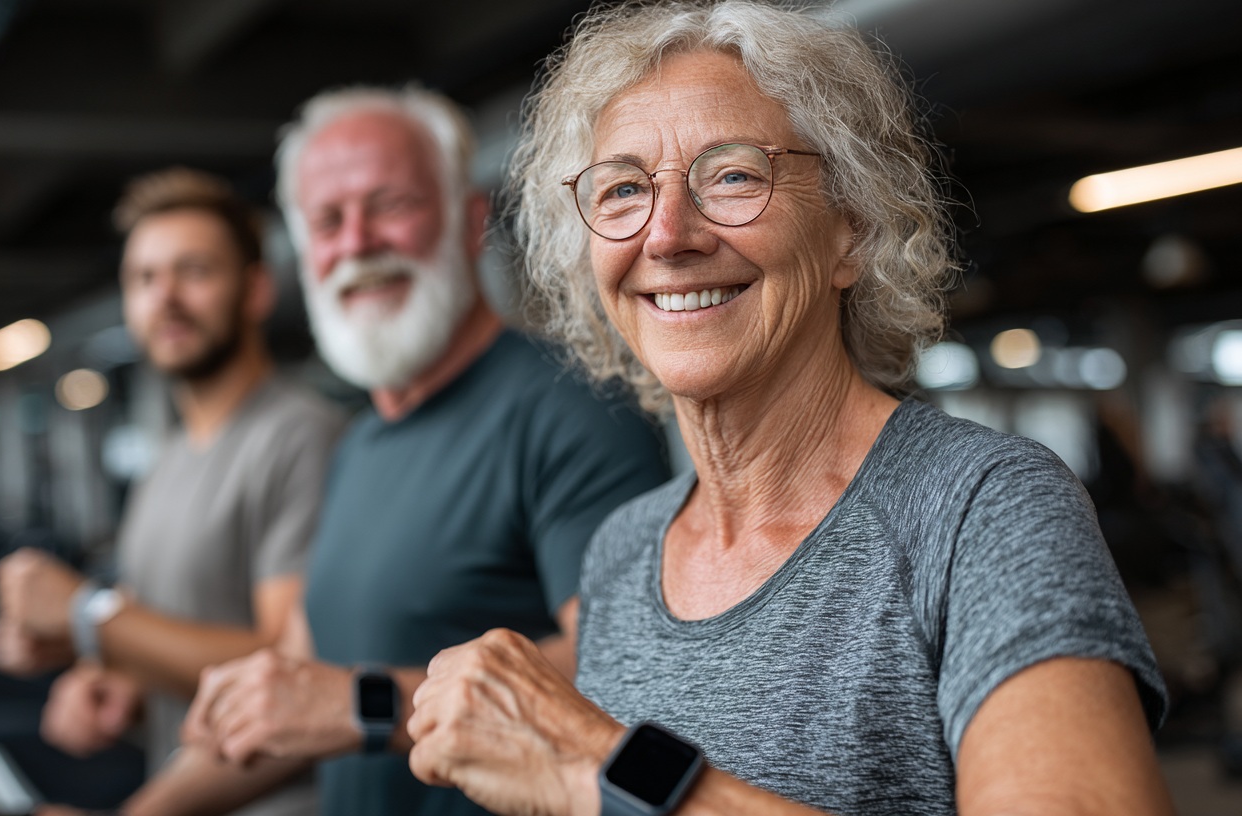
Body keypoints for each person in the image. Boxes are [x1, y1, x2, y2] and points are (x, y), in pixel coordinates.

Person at [404, 3, 1175, 816]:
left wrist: (597, 770)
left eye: (733, 174)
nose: (667, 234)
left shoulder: (983, 506)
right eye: (624, 189)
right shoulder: (621, 553)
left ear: (852, 229)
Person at [177, 86, 671, 816]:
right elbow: (302, 695)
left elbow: (633, 673)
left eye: (390, 204)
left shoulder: (574, 408)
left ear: (471, 221)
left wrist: (367, 705)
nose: (357, 242)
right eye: (327, 221)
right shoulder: (359, 445)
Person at [0, 168, 343, 816]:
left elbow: (290, 667)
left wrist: (88, 615)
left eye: (195, 271)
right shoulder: (168, 460)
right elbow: (174, 632)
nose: (166, 297)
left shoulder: (300, 438)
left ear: (256, 290)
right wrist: (106, 672)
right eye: (145, 279)